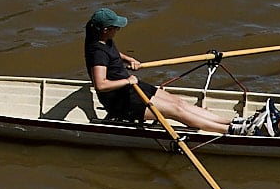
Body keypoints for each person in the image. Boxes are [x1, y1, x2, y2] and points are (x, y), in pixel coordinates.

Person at [81, 8, 233, 134]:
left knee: (178, 102)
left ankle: (231, 122)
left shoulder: (97, 33)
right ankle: (228, 130)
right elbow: (100, 85)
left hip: (130, 87)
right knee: (175, 110)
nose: (118, 30)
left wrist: (128, 59)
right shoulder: (97, 53)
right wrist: (128, 80)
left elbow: (112, 53)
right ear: (106, 30)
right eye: (116, 28)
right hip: (120, 101)